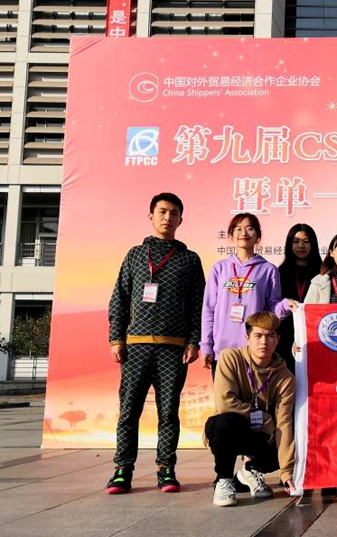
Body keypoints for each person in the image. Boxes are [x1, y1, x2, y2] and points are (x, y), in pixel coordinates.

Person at [105, 192, 206, 495]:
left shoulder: (190, 259)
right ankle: (122, 470)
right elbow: (119, 299)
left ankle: (166, 469)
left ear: (181, 219)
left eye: (174, 213)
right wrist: (116, 339)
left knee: (169, 411)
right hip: (136, 345)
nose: (167, 217)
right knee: (129, 410)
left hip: (173, 348)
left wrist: (193, 341)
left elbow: (198, 305)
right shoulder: (135, 255)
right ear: (151, 216)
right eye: (162, 211)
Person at [205, 312, 296, 507]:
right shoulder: (230, 358)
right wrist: (265, 419)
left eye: (270, 336)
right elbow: (225, 403)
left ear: (278, 339)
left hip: (261, 435)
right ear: (247, 337)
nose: (264, 342)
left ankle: (250, 471)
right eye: (258, 335)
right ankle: (224, 480)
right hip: (233, 429)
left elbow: (284, 422)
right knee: (224, 423)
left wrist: (287, 472)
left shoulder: (285, 377)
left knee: (291, 437)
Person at [201, 214, 294, 374]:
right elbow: (209, 310)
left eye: (250, 228)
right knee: (224, 392)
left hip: (255, 351)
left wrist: (286, 305)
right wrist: (206, 346)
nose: (243, 233)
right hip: (222, 352)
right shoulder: (219, 268)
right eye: (238, 229)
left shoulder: (268, 270)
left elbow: (271, 313)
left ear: (258, 235)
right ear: (231, 235)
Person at [276, 223, 322, 367]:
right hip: (286, 336)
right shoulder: (280, 272)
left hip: (315, 334)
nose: (301, 246)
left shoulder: (322, 272)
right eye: (296, 241)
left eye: (306, 241)